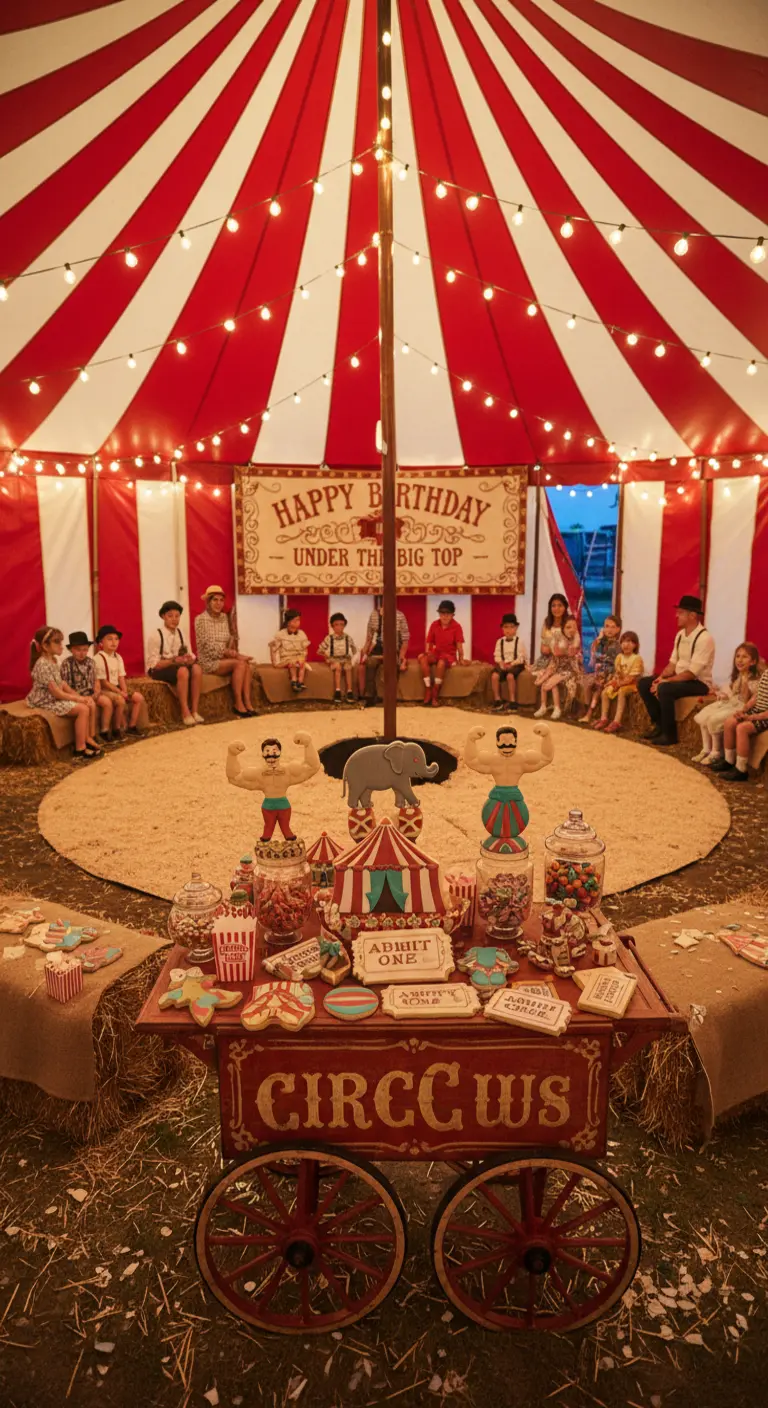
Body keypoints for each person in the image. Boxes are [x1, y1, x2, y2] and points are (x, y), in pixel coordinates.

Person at [637, 595, 715, 747]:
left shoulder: (705, 638)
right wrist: (660, 678)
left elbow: (692, 673)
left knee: (665, 689)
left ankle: (669, 735)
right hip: (680, 678)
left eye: (680, 612)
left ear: (692, 615)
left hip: (698, 682)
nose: (676, 616)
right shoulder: (680, 635)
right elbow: (672, 664)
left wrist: (666, 682)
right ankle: (658, 725)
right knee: (644, 683)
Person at [464, 722, 554, 851]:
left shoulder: (522, 759)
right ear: (496, 742)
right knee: (493, 819)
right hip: (496, 799)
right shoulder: (492, 760)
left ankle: (510, 841)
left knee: (517, 819)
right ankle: (497, 841)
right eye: (503, 742)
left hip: (515, 799)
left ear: (516, 742)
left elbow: (546, 758)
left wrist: (547, 737)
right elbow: (471, 761)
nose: (507, 745)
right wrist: (471, 739)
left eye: (511, 741)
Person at [226, 733, 321, 840]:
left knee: (285, 825)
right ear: (262, 753)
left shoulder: (288, 771)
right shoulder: (258, 774)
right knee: (268, 826)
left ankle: (287, 835)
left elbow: (312, 767)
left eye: (274, 751)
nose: (271, 754)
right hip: (268, 806)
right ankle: (267, 837)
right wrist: (231, 755)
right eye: (267, 751)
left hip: (283, 804)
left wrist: (308, 745)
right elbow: (234, 778)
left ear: (280, 752)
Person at [27, 626, 102, 760]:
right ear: (45, 645)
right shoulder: (42, 664)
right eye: (57, 642)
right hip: (46, 700)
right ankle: (80, 748)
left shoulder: (54, 661)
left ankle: (88, 737)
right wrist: (78, 700)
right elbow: (56, 693)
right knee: (82, 709)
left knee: (87, 703)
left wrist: (80, 697)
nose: (61, 646)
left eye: (61, 642)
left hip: (55, 696)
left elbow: (62, 684)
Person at [692, 642, 761, 765]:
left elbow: (746, 700)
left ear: (753, 662)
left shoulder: (754, 680)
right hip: (732, 703)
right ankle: (706, 749)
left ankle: (716, 752)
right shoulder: (739, 676)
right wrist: (723, 694)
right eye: (738, 656)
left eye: (744, 657)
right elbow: (733, 693)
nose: (740, 660)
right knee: (705, 715)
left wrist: (745, 680)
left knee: (714, 719)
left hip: (742, 707)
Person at [194, 586, 255, 718]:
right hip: (208, 660)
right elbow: (207, 646)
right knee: (239, 664)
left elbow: (226, 640)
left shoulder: (223, 618)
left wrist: (232, 652)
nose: (218, 603)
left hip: (224, 658)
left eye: (221, 600)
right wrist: (233, 655)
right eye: (215, 600)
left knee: (246, 665)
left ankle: (247, 702)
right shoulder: (200, 619)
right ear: (208, 602)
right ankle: (238, 704)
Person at [146, 600, 203, 727]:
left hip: (178, 666)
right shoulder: (156, 635)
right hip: (160, 669)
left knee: (197, 669)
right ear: (163, 617)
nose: (174, 619)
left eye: (177, 616)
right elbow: (153, 664)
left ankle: (194, 711)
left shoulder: (182, 633)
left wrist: (190, 659)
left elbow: (190, 653)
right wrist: (173, 660)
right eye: (170, 616)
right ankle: (185, 712)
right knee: (183, 671)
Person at [710, 665, 768, 783]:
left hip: (765, 715)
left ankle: (741, 770)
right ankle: (729, 761)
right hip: (757, 710)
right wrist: (745, 709)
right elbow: (758, 694)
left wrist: (752, 717)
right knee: (729, 722)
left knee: (743, 728)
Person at [60, 630, 113, 743]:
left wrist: (97, 691)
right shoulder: (66, 664)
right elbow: (65, 686)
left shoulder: (91, 662)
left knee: (107, 702)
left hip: (90, 692)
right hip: (76, 695)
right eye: (78, 650)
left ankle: (104, 730)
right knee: (91, 705)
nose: (82, 653)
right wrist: (80, 698)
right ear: (71, 650)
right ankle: (91, 736)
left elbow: (96, 680)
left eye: (85, 650)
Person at [94, 625, 145, 736]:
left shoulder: (118, 657)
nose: (114, 642)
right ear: (101, 642)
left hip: (116, 687)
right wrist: (120, 693)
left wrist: (125, 691)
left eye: (116, 639)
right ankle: (117, 729)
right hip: (105, 689)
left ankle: (131, 726)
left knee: (138, 698)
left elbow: (121, 677)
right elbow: (103, 682)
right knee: (120, 699)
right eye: (109, 639)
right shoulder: (98, 658)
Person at [358, 602, 410, 706]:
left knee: (392, 665)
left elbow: (405, 640)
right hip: (378, 647)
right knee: (370, 663)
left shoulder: (399, 616)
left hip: (393, 647)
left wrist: (401, 657)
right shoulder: (374, 615)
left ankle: (390, 697)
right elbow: (369, 637)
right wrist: (364, 653)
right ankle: (370, 696)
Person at [593, 630, 644, 733]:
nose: (626, 645)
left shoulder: (637, 658)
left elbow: (631, 678)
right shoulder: (619, 657)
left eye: (630, 642)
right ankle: (604, 718)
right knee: (605, 692)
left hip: (632, 685)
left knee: (622, 692)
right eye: (624, 641)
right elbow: (617, 674)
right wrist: (611, 683)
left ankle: (617, 722)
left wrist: (618, 684)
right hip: (619, 683)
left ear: (635, 645)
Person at [419, 600, 465, 707]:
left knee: (441, 663)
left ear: (452, 615)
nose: (445, 616)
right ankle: (428, 688)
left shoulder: (457, 627)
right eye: (442, 614)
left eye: (448, 614)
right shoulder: (434, 624)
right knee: (422, 657)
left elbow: (459, 645)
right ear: (439, 614)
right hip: (437, 652)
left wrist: (461, 658)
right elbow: (429, 641)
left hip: (449, 655)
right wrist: (428, 653)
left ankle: (435, 692)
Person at [534, 618, 582, 720]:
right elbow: (555, 655)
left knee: (549, 683)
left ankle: (558, 709)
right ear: (563, 629)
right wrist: (545, 675)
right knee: (545, 683)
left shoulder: (574, 642)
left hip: (568, 670)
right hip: (557, 668)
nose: (572, 630)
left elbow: (564, 652)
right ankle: (544, 707)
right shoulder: (559, 639)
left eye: (574, 627)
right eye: (568, 627)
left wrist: (561, 648)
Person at [581, 615, 622, 724]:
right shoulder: (601, 643)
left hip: (609, 673)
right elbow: (593, 652)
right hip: (599, 672)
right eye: (607, 626)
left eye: (613, 627)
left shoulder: (618, 645)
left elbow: (615, 663)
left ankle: (589, 714)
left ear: (618, 629)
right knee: (586, 684)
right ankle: (586, 709)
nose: (609, 629)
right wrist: (598, 638)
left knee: (598, 688)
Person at [491, 613, 528, 713]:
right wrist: (501, 663)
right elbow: (497, 655)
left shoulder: (519, 641)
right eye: (506, 627)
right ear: (502, 628)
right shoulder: (500, 641)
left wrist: (512, 664)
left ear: (516, 628)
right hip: (503, 663)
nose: (508, 630)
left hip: (515, 664)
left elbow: (521, 657)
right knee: (494, 676)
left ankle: (512, 701)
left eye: (512, 627)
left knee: (510, 676)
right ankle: (497, 700)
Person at [318, 612, 357, 703]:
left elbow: (354, 650)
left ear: (344, 625)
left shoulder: (348, 638)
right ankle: (338, 691)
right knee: (338, 667)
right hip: (334, 659)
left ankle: (349, 691)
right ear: (332, 626)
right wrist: (327, 658)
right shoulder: (329, 638)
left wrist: (353, 659)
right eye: (336, 625)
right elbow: (320, 650)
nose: (339, 627)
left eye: (341, 624)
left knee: (348, 667)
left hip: (345, 658)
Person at [269, 609, 310, 694]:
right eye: (294, 620)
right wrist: (274, 663)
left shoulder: (301, 634)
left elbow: (305, 649)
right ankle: (293, 681)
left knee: (301, 661)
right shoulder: (281, 634)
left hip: (298, 657)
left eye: (298, 620)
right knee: (292, 662)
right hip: (286, 659)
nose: (297, 622)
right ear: (288, 622)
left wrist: (303, 657)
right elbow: (274, 649)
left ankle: (300, 682)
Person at [532, 593, 571, 677]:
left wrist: (560, 651)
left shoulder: (570, 622)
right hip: (547, 658)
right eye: (553, 606)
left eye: (560, 605)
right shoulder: (547, 622)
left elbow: (573, 646)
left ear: (565, 607)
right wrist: (545, 649)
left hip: (564, 659)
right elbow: (543, 646)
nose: (556, 608)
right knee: (539, 676)